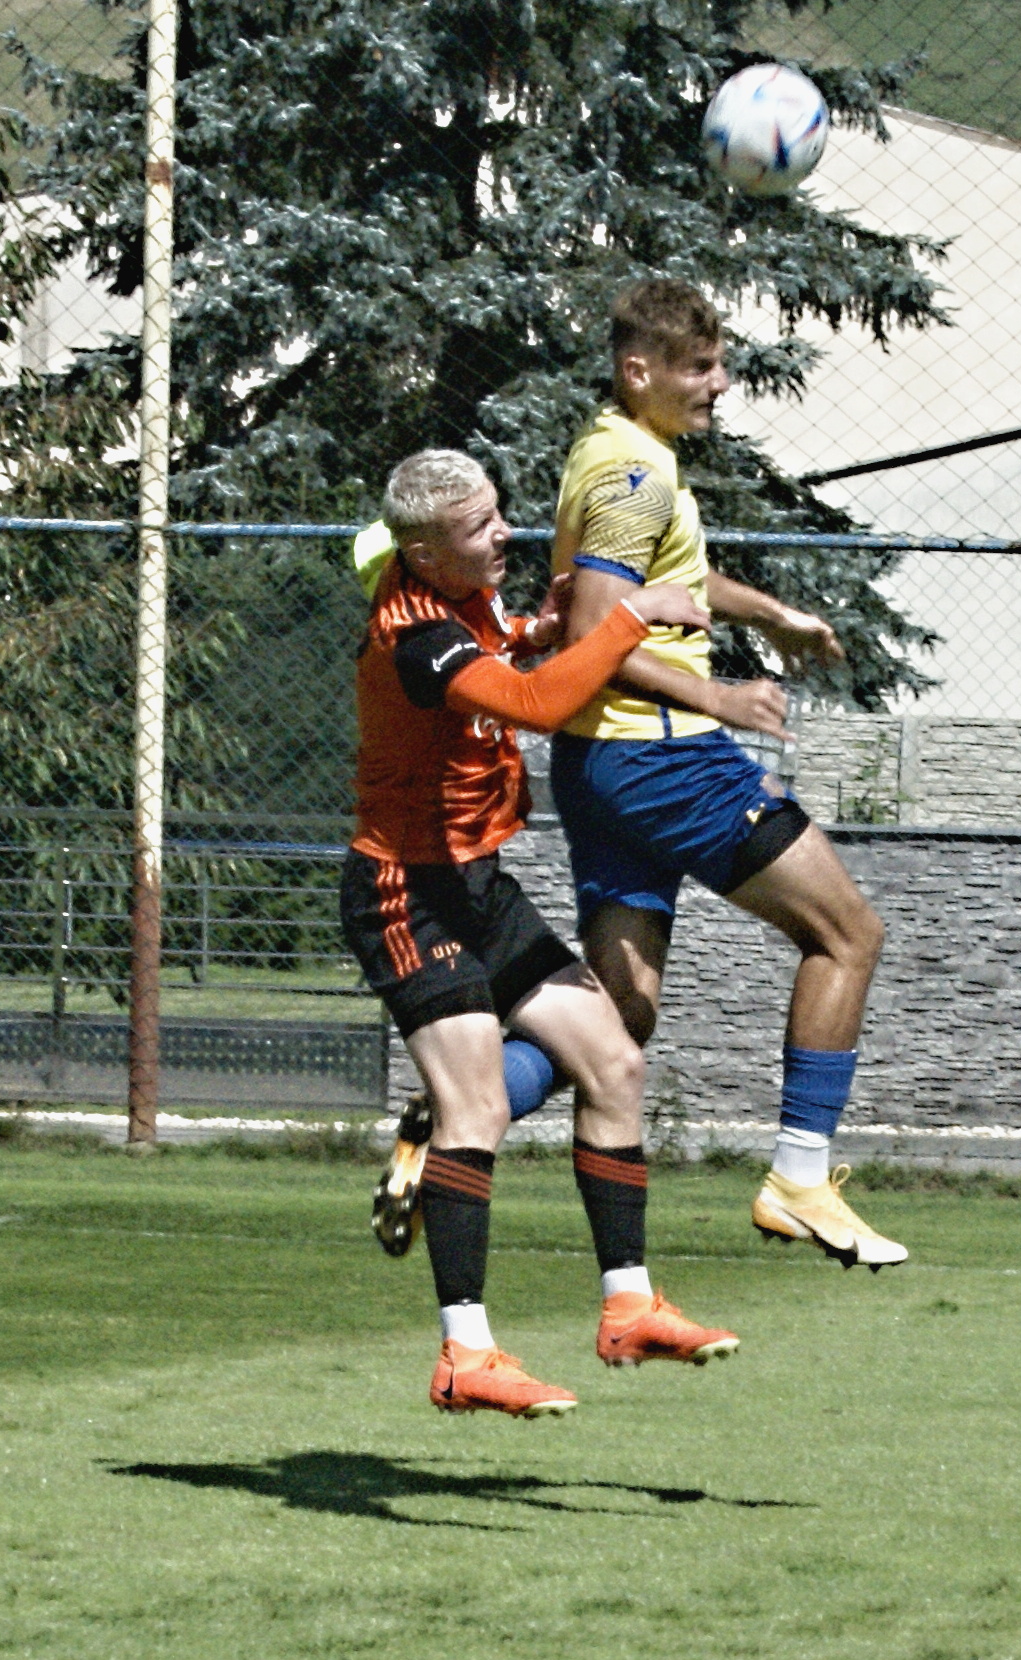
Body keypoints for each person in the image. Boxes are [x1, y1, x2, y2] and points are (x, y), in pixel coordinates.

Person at [341, 448, 739, 1419]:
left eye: (498, 512)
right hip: (406, 894)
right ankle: (464, 1355)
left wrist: (546, 627)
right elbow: (535, 704)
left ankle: (628, 1306)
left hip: (478, 885)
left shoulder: (464, 594)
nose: (504, 532)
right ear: (425, 554)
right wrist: (632, 617)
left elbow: (509, 644)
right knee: (475, 1106)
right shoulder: (414, 634)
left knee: (612, 1057)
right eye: (480, 527)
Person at [548, 278, 907, 1270]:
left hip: (598, 762)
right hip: (663, 757)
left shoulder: (611, 451)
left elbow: (665, 580)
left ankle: (459, 1106)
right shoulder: (638, 474)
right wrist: (720, 698)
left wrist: (773, 614)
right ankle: (799, 1176)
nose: (718, 384)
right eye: (700, 368)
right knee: (847, 934)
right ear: (639, 371)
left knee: (620, 1016)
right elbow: (594, 632)